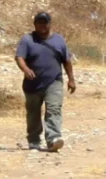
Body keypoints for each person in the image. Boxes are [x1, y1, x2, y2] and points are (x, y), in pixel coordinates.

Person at [15, 11, 76, 152]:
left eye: (45, 23)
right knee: (33, 113)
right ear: (35, 24)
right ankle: (34, 140)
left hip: (54, 81)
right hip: (32, 84)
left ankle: (53, 139)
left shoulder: (59, 40)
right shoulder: (27, 40)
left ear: (50, 24)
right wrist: (25, 69)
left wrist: (71, 79)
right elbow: (19, 57)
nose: (42, 25)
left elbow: (67, 61)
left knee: (54, 109)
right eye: (39, 23)